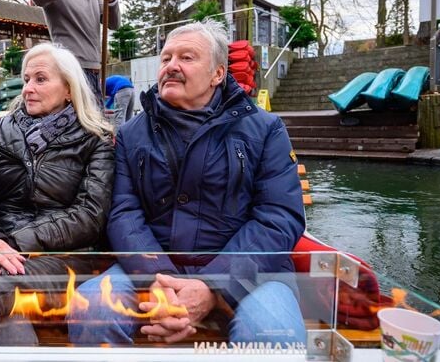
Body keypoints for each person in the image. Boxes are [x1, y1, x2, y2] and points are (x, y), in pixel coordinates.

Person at [67, 21, 308, 346]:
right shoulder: (129, 134)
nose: (172, 66)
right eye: (166, 59)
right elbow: (123, 213)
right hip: (151, 269)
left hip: (251, 275)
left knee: (274, 332)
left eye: (187, 57)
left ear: (217, 74)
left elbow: (278, 216)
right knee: (91, 309)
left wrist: (214, 285)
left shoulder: (265, 129)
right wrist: (157, 282)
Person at [0, 43, 115, 346]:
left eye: (40, 79)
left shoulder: (95, 139)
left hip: (63, 260)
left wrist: (12, 242)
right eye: (25, 80)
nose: (27, 89)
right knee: (7, 323)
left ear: (69, 89)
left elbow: (89, 217)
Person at [31, 0, 120, 100]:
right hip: (71, 71)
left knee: (95, 123)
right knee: (76, 124)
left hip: (95, 71)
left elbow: (114, 24)